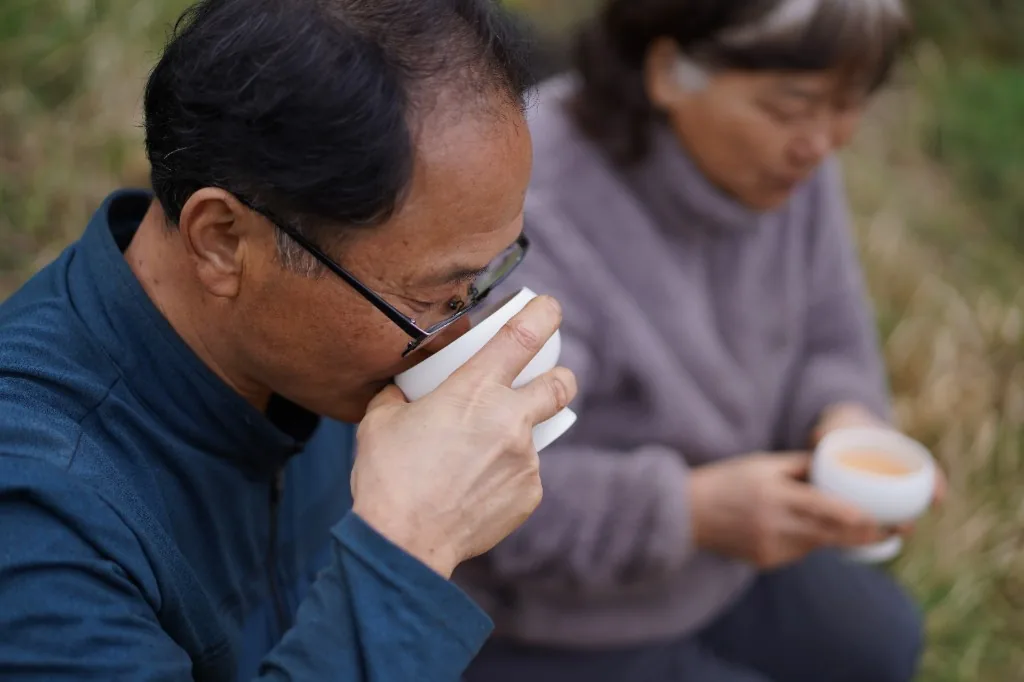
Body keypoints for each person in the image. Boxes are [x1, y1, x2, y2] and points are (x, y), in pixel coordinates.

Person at [0, 0, 578, 680]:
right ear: (222, 241)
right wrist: (412, 546)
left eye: (486, 277)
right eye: (434, 294)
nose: (465, 330)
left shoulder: (300, 363)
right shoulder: (39, 512)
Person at [459, 1, 944, 681]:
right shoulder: (534, 208)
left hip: (724, 563)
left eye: (847, 104)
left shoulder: (787, 167)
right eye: (790, 108)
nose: (823, 142)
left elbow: (832, 338)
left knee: (884, 642)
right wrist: (690, 513)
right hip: (540, 618)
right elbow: (473, 486)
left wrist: (845, 423)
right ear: (668, 70)